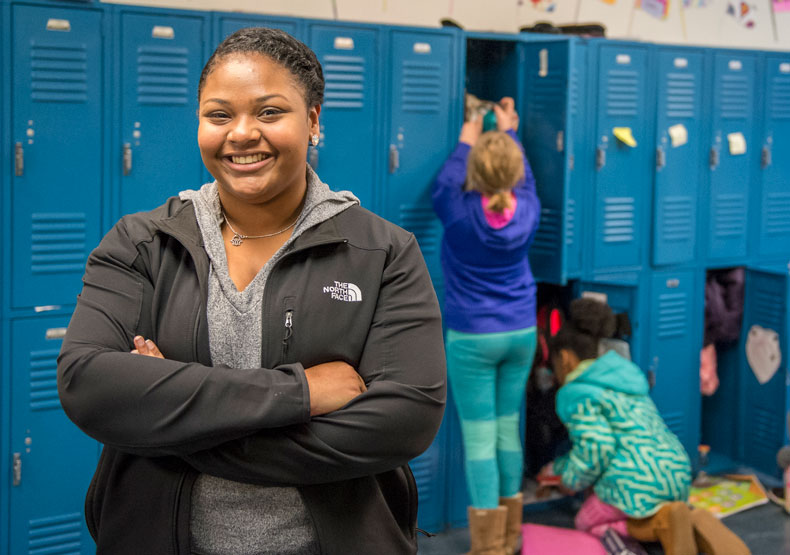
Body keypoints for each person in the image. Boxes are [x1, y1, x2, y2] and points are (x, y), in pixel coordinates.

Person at [57, 27, 446, 555]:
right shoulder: (142, 243)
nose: (241, 134)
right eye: (219, 115)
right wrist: (301, 393)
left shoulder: (381, 253)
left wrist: (170, 426)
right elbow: (88, 383)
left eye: (269, 112)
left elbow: (404, 420)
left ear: (312, 122)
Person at [542, 297, 750, 555]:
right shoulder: (625, 381)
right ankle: (694, 519)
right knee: (655, 505)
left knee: (586, 521)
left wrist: (570, 480)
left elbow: (597, 446)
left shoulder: (576, 392)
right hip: (675, 472)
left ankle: (660, 523)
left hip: (633, 482)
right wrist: (559, 467)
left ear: (565, 359)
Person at [431, 97, 540, 555]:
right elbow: (524, 177)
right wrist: (509, 129)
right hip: (521, 332)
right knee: (506, 429)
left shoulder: (459, 216)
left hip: (473, 336)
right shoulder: (529, 209)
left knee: (479, 438)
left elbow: (446, 181)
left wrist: (470, 127)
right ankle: (512, 535)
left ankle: (489, 548)